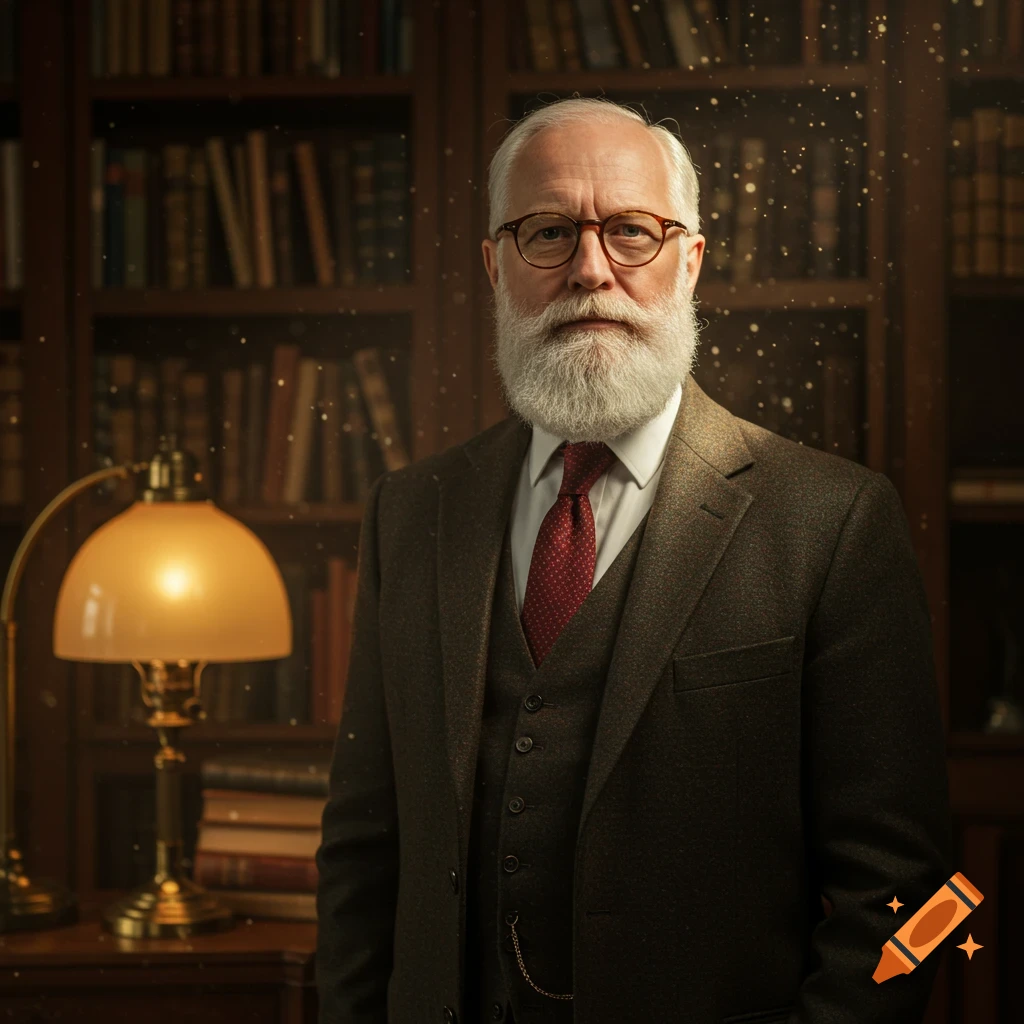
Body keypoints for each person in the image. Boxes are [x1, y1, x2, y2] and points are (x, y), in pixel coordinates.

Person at [315, 96, 954, 1024]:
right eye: (547, 233)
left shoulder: (835, 519)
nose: (589, 270)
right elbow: (360, 852)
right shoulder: (412, 513)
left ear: (690, 262)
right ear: (496, 268)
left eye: (631, 232)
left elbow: (917, 891)